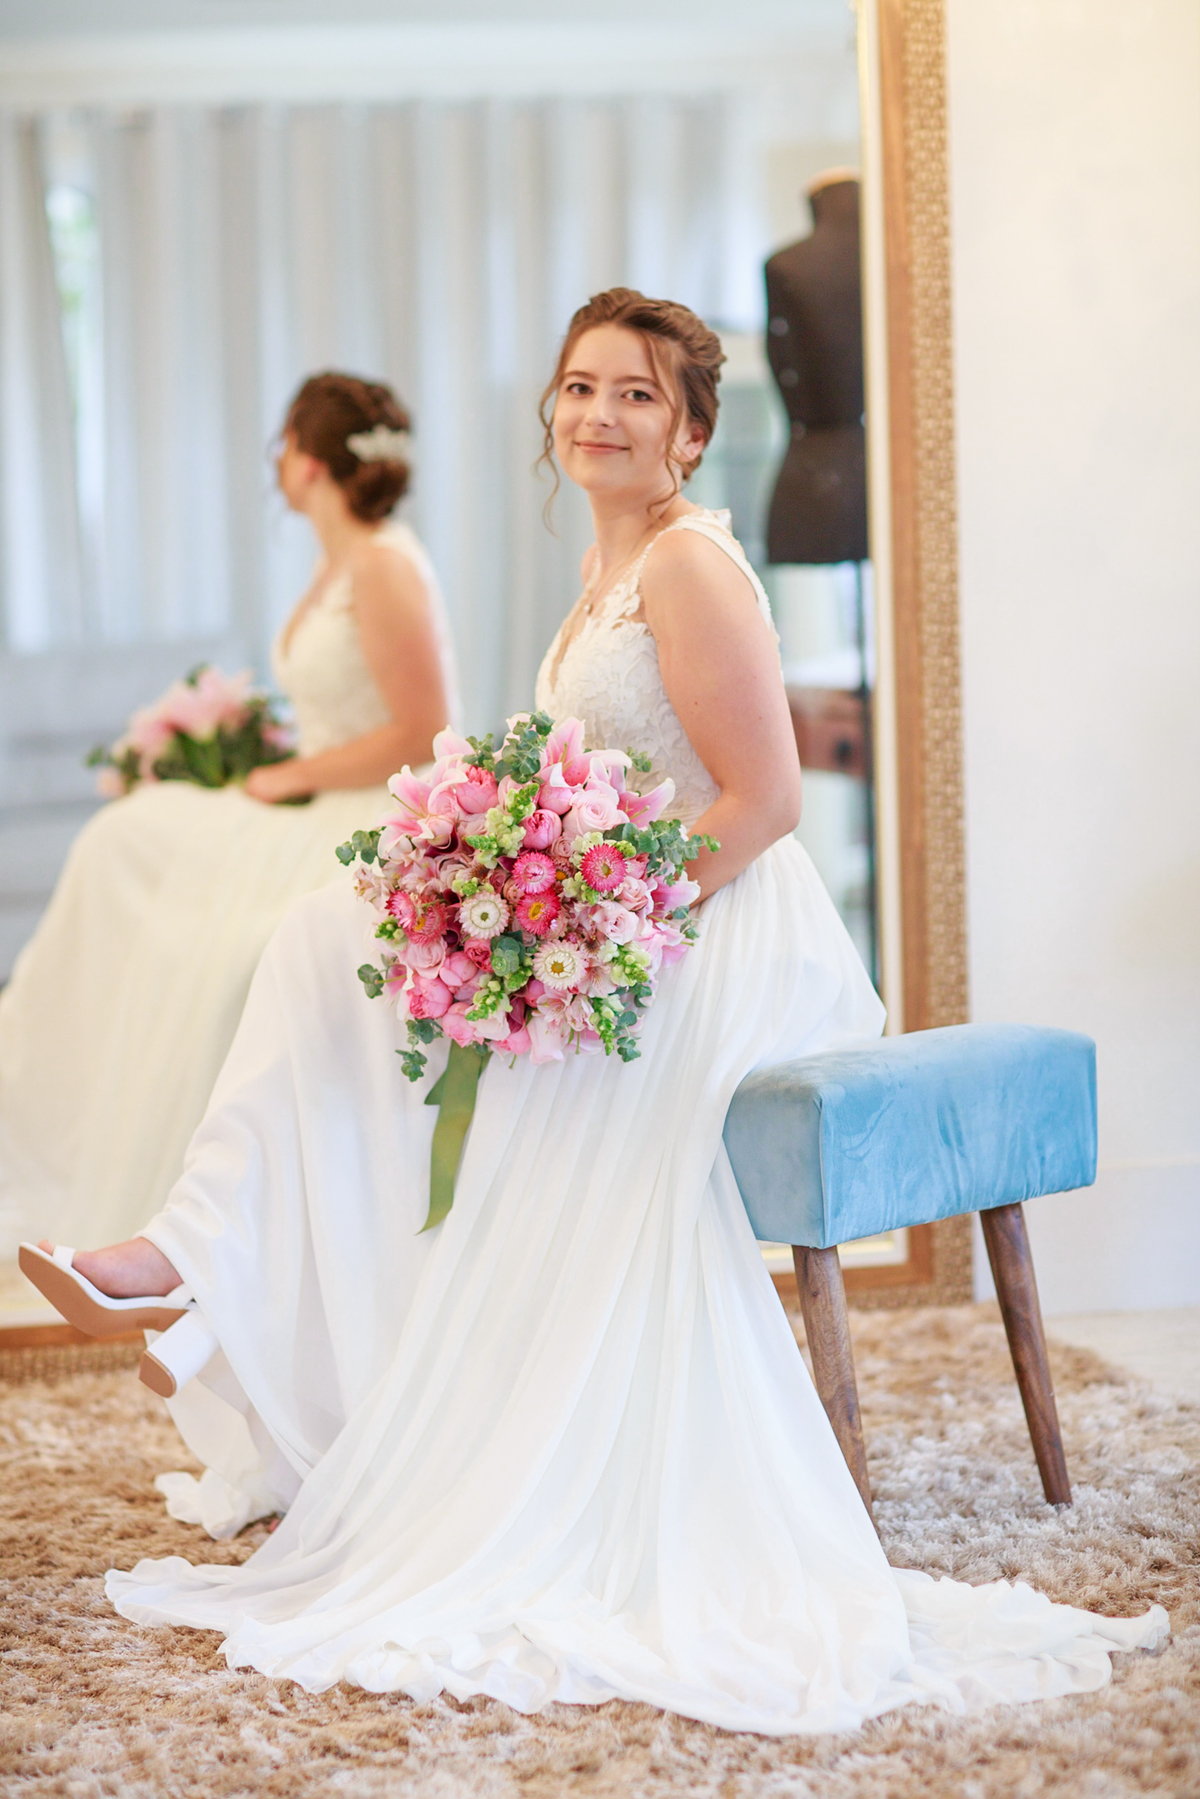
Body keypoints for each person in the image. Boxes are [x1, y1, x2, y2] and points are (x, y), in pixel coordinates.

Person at [23, 292, 1166, 1732]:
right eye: (579, 387)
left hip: (716, 924)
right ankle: (203, 1264)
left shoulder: (688, 565)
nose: (598, 414)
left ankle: (199, 1275)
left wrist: (591, 915)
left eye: (636, 393)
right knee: (331, 949)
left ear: (689, 430)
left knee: (354, 977)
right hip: (617, 913)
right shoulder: (602, 562)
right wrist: (510, 878)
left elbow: (763, 802)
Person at [0, 372, 457, 1257]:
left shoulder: (385, 563)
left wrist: (292, 776)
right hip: (316, 796)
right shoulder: (336, 561)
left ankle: (199, 1215)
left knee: (214, 954)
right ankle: (55, 1109)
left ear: (310, 461)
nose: (276, 462)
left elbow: (423, 730)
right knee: (124, 838)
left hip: (367, 817)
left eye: (284, 445)